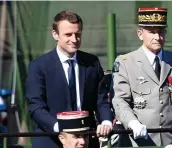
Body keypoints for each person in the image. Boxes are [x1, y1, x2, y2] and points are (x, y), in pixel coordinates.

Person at [112, 7, 172, 147]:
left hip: (170, 140)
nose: (157, 37)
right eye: (152, 32)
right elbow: (120, 100)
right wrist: (132, 123)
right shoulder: (126, 62)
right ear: (140, 34)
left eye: (161, 32)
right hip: (139, 140)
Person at [26, 10, 113, 148]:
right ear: (55, 34)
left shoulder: (92, 63)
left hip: (86, 141)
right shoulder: (39, 66)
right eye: (68, 34)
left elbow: (101, 99)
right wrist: (58, 128)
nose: (74, 39)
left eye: (77, 34)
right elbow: (35, 106)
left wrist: (106, 122)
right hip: (51, 140)